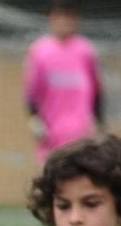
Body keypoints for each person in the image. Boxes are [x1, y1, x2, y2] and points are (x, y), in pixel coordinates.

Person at [24, 2, 103, 161]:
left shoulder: (86, 50)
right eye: (59, 16)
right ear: (51, 18)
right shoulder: (39, 51)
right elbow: (31, 93)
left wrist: (98, 122)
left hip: (82, 134)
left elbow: (97, 91)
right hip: (52, 135)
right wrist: (35, 120)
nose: (64, 21)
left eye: (69, 17)